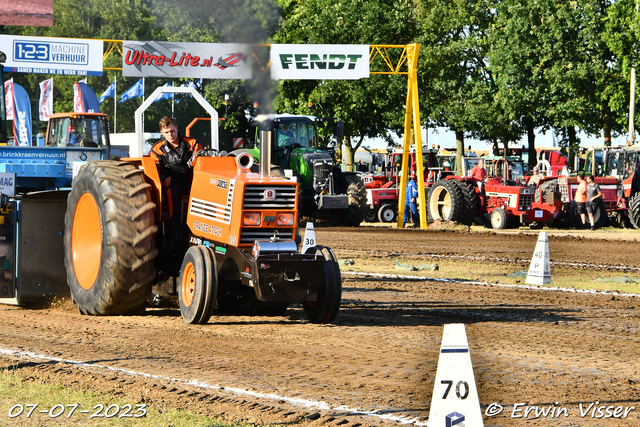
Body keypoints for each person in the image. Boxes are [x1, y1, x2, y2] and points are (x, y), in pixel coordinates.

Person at [150, 116, 203, 245]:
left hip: (193, 181)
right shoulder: (157, 149)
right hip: (172, 182)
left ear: (177, 128)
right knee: (172, 191)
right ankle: (175, 231)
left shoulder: (193, 144)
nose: (170, 135)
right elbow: (154, 170)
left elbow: (202, 163)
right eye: (167, 132)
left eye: (172, 131)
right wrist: (163, 179)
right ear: (162, 133)